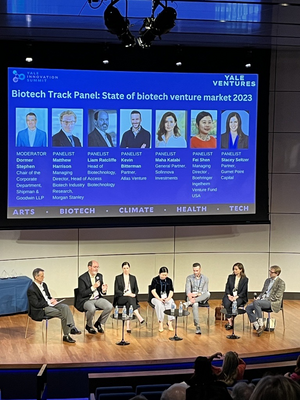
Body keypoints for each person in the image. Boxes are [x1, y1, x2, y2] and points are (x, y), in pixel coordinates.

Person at [27, 268, 81, 343]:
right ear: (36, 277)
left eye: (43, 275)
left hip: (50, 304)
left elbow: (47, 296)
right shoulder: (31, 289)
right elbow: (36, 304)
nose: (43, 277)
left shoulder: (44, 285)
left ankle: (72, 328)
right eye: (42, 276)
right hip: (41, 309)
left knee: (65, 307)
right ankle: (67, 335)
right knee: (63, 314)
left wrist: (52, 299)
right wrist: (48, 302)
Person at [246, 265, 285, 337]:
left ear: (277, 273)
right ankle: (257, 326)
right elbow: (263, 292)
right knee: (248, 308)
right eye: (270, 271)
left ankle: (261, 324)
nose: (270, 273)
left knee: (257, 303)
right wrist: (259, 297)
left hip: (272, 302)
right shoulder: (267, 280)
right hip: (262, 300)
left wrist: (264, 299)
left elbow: (277, 296)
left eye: (272, 272)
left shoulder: (281, 283)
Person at [76, 260, 113, 334]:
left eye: (97, 267)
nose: (96, 269)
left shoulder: (99, 276)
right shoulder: (82, 278)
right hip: (86, 300)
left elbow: (101, 292)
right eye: (94, 267)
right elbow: (82, 293)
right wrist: (93, 287)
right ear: (89, 267)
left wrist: (103, 290)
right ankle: (89, 326)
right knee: (92, 309)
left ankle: (98, 323)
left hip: (97, 298)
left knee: (109, 306)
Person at [114, 261, 145, 332]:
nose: (126, 270)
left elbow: (136, 289)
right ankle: (138, 316)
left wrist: (134, 294)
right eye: (124, 268)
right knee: (129, 299)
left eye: (127, 268)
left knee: (128, 302)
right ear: (122, 269)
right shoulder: (118, 278)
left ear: (129, 268)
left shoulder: (133, 278)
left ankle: (128, 326)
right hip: (121, 297)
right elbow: (116, 291)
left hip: (131, 297)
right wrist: (126, 294)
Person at [184, 262, 210, 335]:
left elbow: (205, 291)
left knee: (208, 294)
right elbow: (188, 292)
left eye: (197, 270)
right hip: (192, 296)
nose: (195, 272)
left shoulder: (205, 278)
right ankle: (197, 326)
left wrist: (198, 295)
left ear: (200, 270)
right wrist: (191, 297)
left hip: (201, 297)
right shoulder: (189, 278)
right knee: (195, 304)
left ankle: (189, 303)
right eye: (194, 270)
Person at [222, 262, 248, 330]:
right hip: (230, 295)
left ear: (241, 270)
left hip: (239, 296)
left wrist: (236, 297)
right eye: (234, 269)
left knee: (235, 305)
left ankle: (232, 318)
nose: (234, 271)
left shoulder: (245, 279)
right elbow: (227, 287)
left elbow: (244, 291)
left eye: (236, 269)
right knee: (227, 304)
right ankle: (230, 322)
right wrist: (229, 295)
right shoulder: (230, 277)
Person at [150, 266, 175, 332]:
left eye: (165, 275)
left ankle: (170, 322)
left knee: (171, 303)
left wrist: (168, 298)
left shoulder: (169, 280)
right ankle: (160, 322)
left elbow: (171, 291)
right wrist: (159, 299)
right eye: (163, 275)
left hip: (166, 298)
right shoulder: (155, 280)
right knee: (159, 305)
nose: (164, 276)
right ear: (159, 274)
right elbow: (153, 291)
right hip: (156, 298)